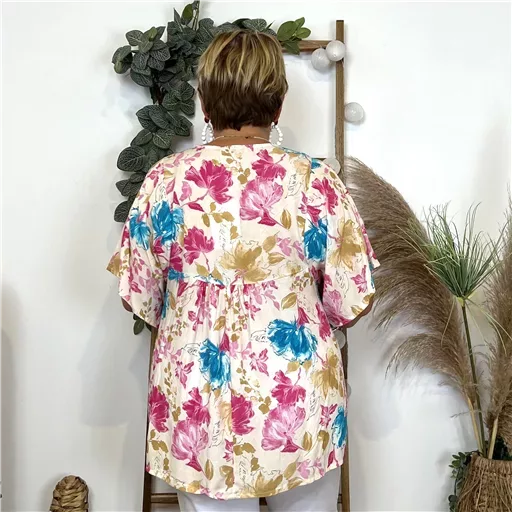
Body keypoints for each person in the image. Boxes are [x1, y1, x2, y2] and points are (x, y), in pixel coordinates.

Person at [108, 30, 378, 512]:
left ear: (204, 104)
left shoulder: (164, 182)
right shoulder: (316, 182)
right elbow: (352, 302)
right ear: (278, 106)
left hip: (198, 403)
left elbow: (140, 297)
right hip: (297, 399)